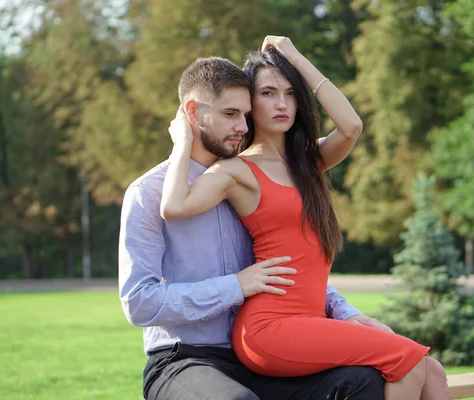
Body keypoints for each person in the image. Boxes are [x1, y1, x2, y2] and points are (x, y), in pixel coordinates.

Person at [160, 35, 452, 400]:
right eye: (267, 93)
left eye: (290, 93)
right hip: (270, 328)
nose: (281, 103)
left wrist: (296, 58)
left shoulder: (308, 163)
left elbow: (351, 127)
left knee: (433, 371)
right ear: (250, 103)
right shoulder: (238, 171)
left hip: (311, 321)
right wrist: (182, 143)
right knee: (407, 360)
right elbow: (173, 206)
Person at [118, 54, 387, 398]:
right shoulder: (147, 193)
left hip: (256, 353)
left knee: (364, 380)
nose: (243, 127)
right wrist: (234, 286)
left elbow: (286, 269)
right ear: (192, 112)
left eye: (245, 115)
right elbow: (139, 303)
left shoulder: (252, 178)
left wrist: (345, 313)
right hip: (182, 359)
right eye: (230, 115)